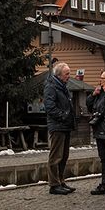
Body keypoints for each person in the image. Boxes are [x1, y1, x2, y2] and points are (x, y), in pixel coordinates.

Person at [44, 62, 75, 195]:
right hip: (58, 125)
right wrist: (62, 116)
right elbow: (50, 107)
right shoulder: (52, 87)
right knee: (56, 156)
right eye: (66, 74)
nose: (69, 76)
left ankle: (61, 181)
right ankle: (54, 184)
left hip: (65, 125)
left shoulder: (63, 87)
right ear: (59, 74)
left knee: (64, 156)